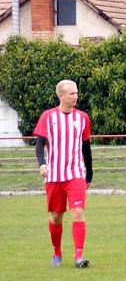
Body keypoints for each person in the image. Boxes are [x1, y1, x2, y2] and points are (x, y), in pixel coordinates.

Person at [34, 80, 93, 268]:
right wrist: (42, 164)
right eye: (71, 94)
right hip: (54, 176)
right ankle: (57, 253)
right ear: (61, 96)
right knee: (56, 217)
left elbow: (86, 147)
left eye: (76, 93)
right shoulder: (48, 117)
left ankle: (78, 257)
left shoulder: (83, 118)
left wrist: (89, 175)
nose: (75, 97)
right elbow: (39, 144)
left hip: (75, 173)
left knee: (77, 211)